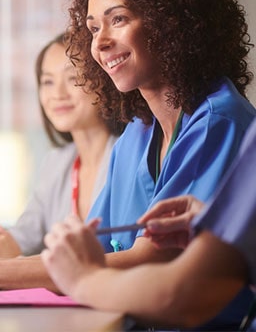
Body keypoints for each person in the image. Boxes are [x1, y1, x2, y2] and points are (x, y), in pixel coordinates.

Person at [0, 0, 255, 327]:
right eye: (92, 28)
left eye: (118, 19)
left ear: (170, 20)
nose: (99, 43)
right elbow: (94, 252)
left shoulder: (216, 121)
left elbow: (149, 259)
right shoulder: (136, 136)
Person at [41, 118, 256, 331]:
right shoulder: (134, 134)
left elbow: (180, 296)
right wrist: (224, 224)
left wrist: (85, 280)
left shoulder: (219, 123)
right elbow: (90, 249)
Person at [0, 33, 122, 259]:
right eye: (48, 82)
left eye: (73, 78)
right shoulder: (57, 162)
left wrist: (14, 257)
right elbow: (23, 237)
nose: (57, 94)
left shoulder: (129, 155)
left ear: (103, 82)